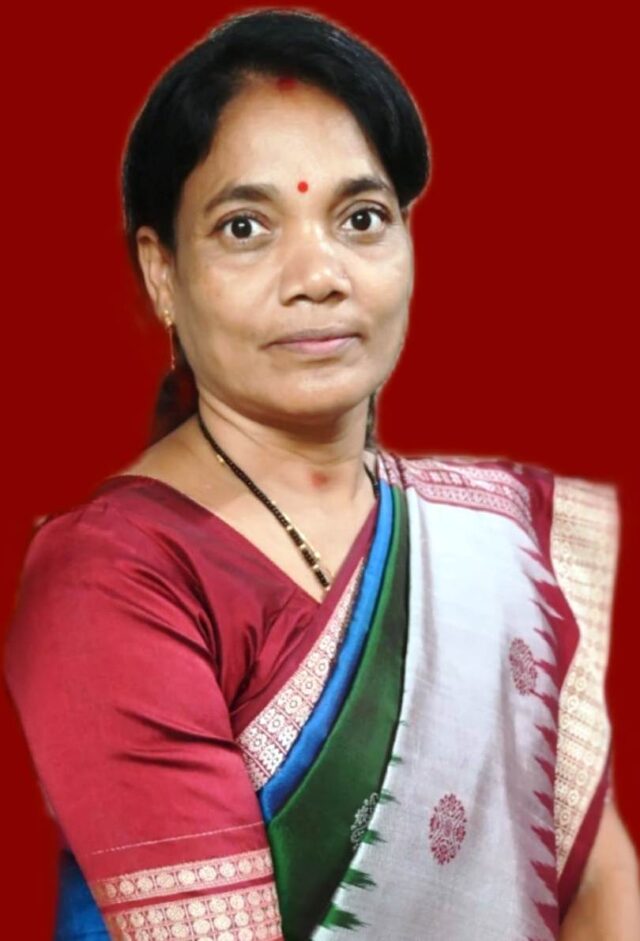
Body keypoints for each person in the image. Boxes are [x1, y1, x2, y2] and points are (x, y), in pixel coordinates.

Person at [3, 8, 638, 941]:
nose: (320, 275)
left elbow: (596, 883)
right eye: (247, 226)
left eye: (361, 219)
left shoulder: (492, 531)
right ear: (162, 272)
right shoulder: (113, 576)